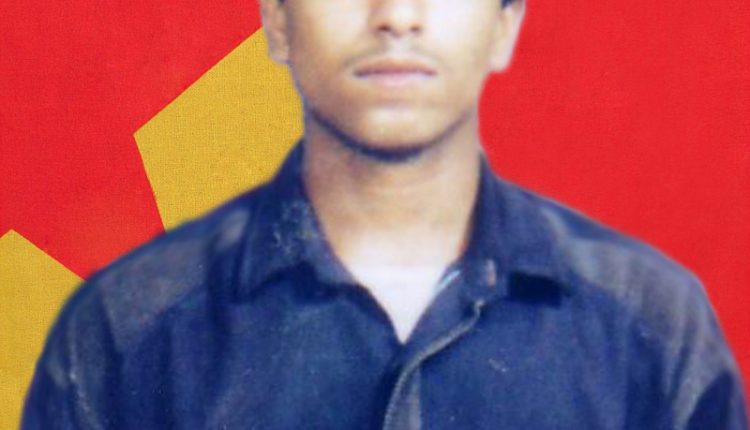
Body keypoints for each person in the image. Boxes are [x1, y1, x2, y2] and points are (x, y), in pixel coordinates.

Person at [22, 0, 748, 428]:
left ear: (505, 24)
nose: (396, 17)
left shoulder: (654, 329)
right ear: (276, 21)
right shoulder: (127, 332)